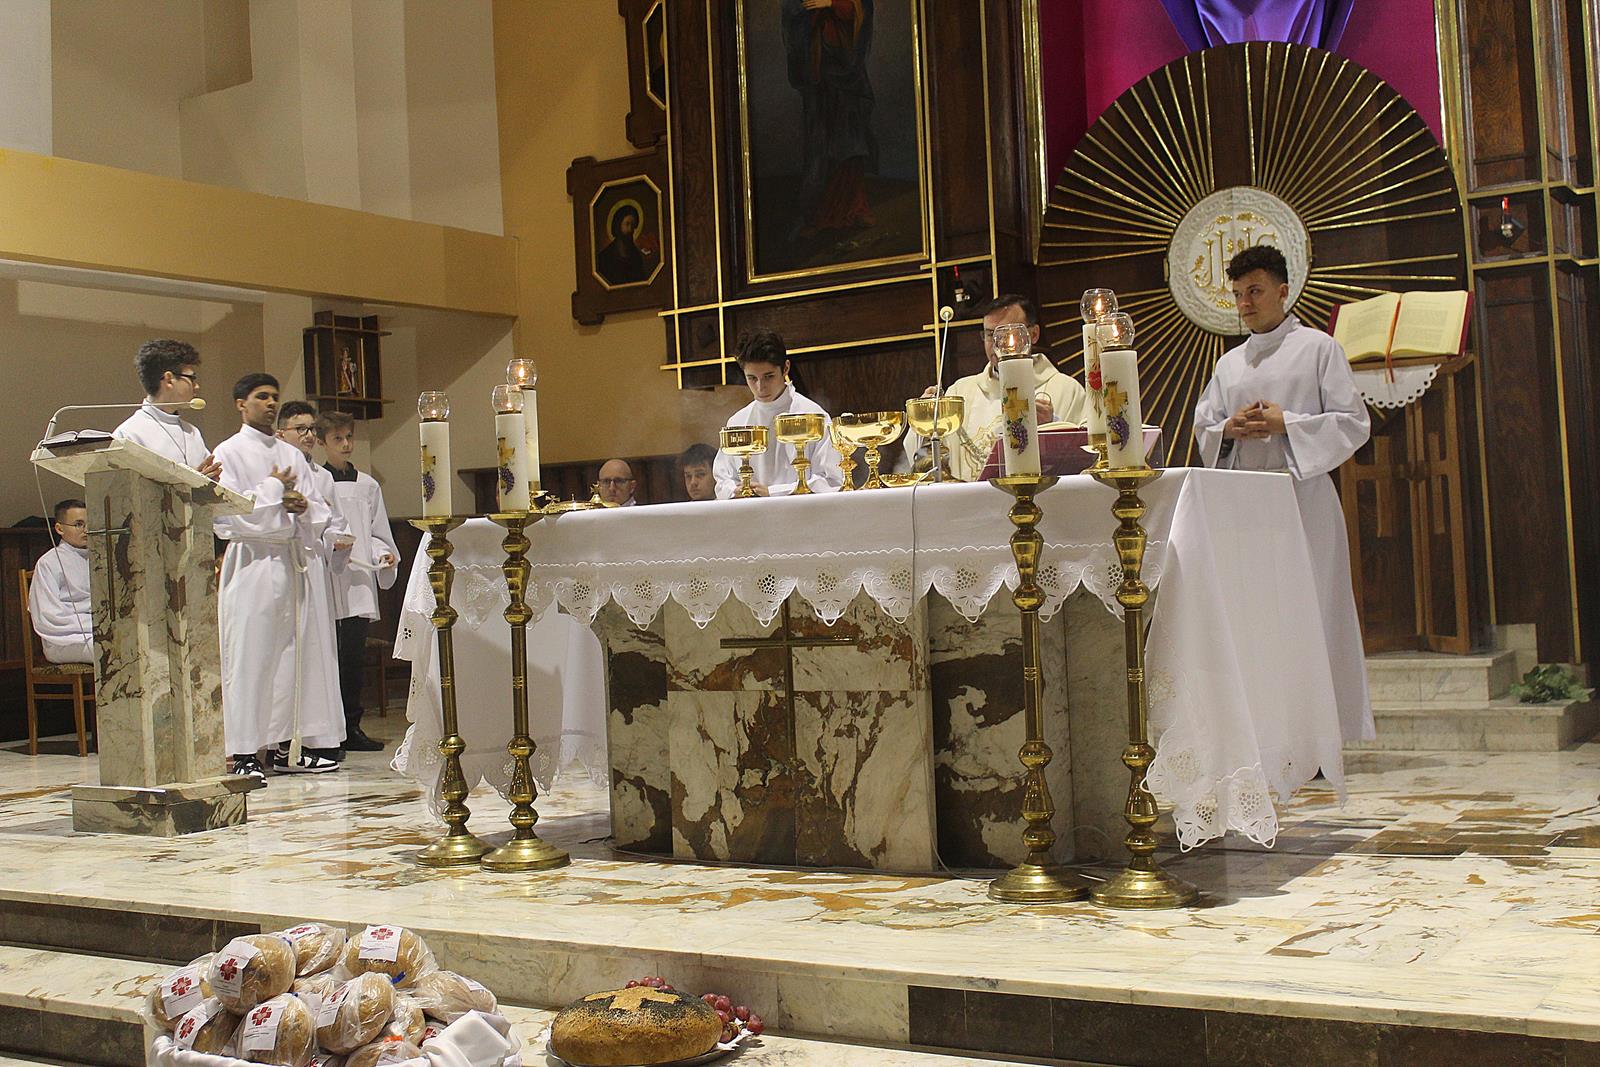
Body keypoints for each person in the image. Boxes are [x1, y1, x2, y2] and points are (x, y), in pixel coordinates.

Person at [1192, 244, 1374, 743]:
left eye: (1254, 291)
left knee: (1311, 612)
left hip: (1303, 498)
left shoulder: (1318, 349)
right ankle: (1267, 732)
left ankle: (1318, 736)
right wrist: (1229, 428)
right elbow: (1206, 426)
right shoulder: (1230, 364)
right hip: (1247, 504)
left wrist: (1286, 424)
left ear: (1283, 291)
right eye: (1237, 294)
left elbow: (1353, 422)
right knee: (1258, 617)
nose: (1244, 303)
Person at [213, 375, 344, 781]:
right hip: (252, 561)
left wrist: (303, 507)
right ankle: (244, 751)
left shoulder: (289, 454)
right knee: (251, 656)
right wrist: (274, 489)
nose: (270, 403)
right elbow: (226, 514)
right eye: (261, 397)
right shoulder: (228, 451)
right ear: (241, 404)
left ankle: (289, 747)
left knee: (293, 657)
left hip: (290, 559)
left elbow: (317, 508)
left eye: (274, 397)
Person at [908, 295, 1087, 481]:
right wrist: (925, 420)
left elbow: (1085, 455)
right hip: (972, 499)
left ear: (1033, 335)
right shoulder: (960, 392)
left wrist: (1052, 425)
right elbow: (925, 459)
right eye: (990, 334)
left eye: (1007, 333)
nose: (997, 344)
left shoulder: (1066, 390)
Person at [276, 401, 356, 762]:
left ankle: (322, 735)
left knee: (319, 651)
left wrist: (337, 539)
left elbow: (334, 521)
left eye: (311, 428)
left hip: (313, 567)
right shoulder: (276, 468)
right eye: (300, 429)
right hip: (283, 565)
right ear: (281, 433)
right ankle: (283, 739)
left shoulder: (322, 477)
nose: (308, 435)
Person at [316, 410, 399, 753]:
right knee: (326, 657)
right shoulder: (317, 481)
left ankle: (351, 726)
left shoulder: (367, 485)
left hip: (358, 578)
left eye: (349, 437)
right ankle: (327, 732)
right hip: (326, 577)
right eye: (337, 438)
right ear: (322, 442)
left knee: (352, 657)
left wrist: (384, 554)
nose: (346, 444)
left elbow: (377, 532)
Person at [713, 330, 842, 497]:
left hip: (801, 512)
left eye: (768, 376)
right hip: (751, 512)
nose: (760, 387)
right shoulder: (737, 422)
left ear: (785, 368)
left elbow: (830, 480)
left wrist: (773, 492)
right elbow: (722, 479)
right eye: (752, 378)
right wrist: (734, 491)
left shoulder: (814, 416)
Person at [112, 339, 222, 478]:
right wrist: (189, 484)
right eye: (192, 378)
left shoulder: (192, 432)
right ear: (169, 379)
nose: (196, 386)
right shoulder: (129, 434)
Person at [27, 499, 93, 665]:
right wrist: (96, 625)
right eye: (78, 524)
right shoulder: (49, 563)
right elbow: (48, 616)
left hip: (98, 630)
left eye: (89, 524)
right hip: (64, 640)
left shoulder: (101, 558)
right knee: (112, 650)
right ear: (59, 528)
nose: (86, 530)